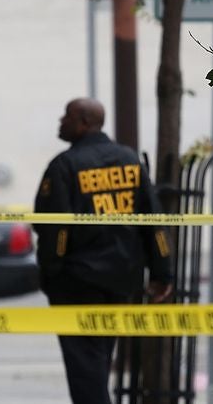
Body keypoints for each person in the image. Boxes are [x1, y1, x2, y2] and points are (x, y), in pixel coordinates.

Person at [33, 97, 174, 404]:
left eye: (66, 116)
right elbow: (155, 221)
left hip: (77, 282)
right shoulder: (129, 160)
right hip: (122, 280)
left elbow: (54, 226)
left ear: (84, 122)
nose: (60, 121)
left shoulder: (65, 166)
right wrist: (162, 271)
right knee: (97, 359)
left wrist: (51, 271)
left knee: (85, 366)